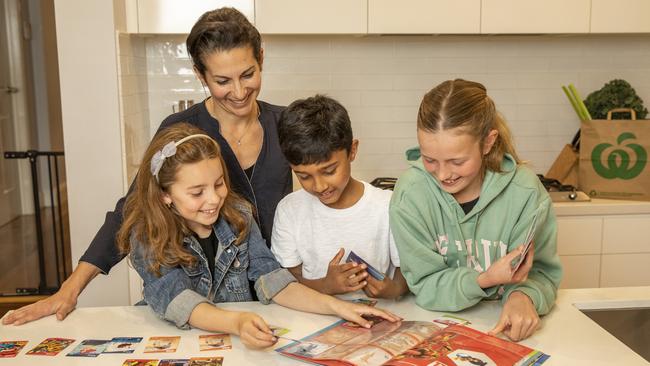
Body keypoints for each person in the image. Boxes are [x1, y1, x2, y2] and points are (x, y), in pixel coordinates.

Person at [2, 7, 291, 326]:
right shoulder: (180, 129)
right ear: (200, 74)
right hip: (201, 305)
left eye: (248, 74)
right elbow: (132, 209)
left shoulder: (286, 124)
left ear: (261, 58)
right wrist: (69, 289)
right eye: (222, 81)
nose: (239, 92)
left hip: (277, 292)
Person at [117, 123, 399, 349]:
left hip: (237, 341)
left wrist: (339, 308)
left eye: (219, 184)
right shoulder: (146, 234)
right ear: (165, 195)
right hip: (175, 343)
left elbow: (275, 281)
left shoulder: (238, 216)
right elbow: (180, 302)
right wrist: (238, 323)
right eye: (196, 192)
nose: (213, 199)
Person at [389, 79, 563, 341]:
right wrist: (484, 279)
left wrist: (522, 295)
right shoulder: (410, 194)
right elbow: (424, 284)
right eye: (429, 160)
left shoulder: (525, 192)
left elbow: (542, 273)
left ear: (488, 142)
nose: (443, 174)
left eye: (457, 161)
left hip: (506, 333)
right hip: (434, 330)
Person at [271, 95, 409, 299]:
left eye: (329, 171)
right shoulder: (289, 210)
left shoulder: (387, 206)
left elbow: (406, 269)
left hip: (379, 318)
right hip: (312, 320)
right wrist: (324, 286)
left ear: (352, 151)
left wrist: (395, 288)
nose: (319, 186)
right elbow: (288, 276)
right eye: (304, 176)